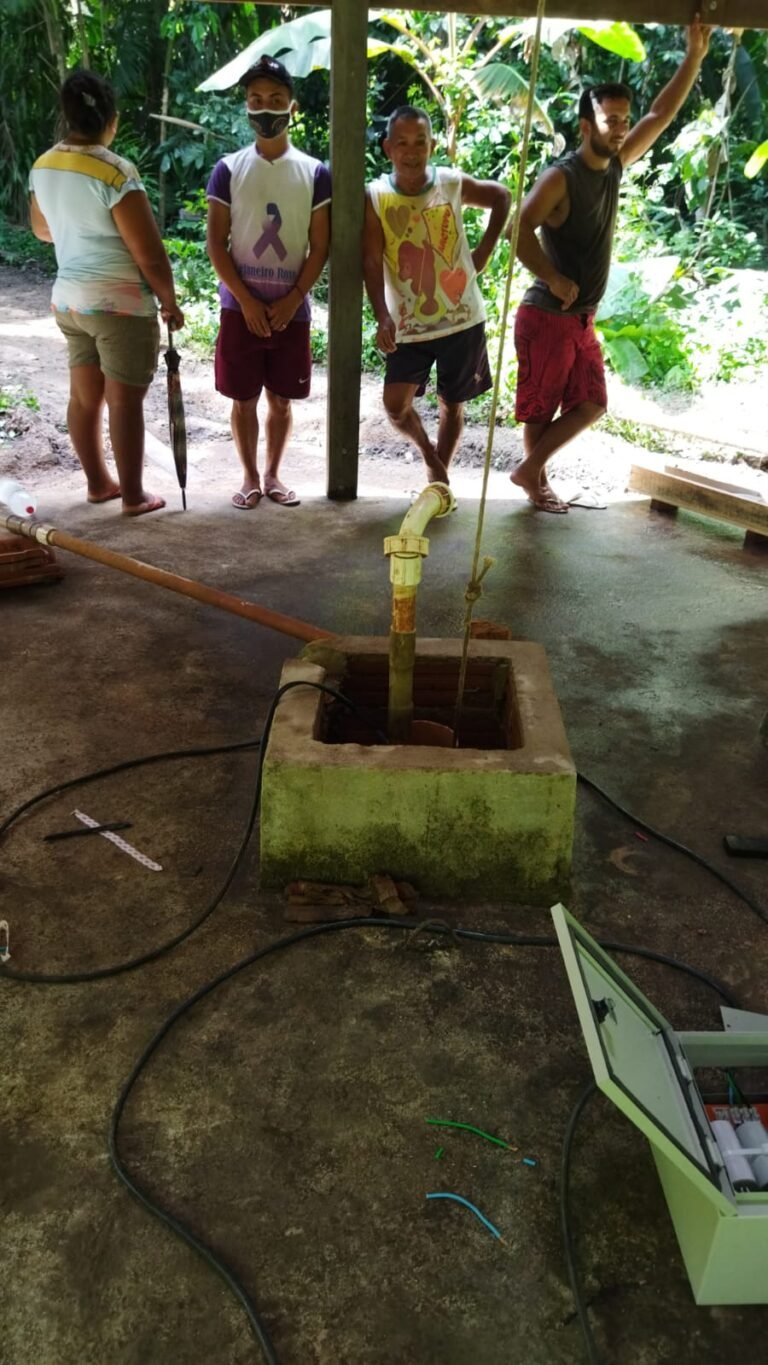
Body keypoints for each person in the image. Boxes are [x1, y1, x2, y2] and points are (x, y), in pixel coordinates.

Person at [510, 17, 712, 513]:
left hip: (581, 319)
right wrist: (553, 277)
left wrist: (693, 57)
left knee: (592, 403)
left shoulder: (616, 166)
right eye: (610, 120)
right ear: (586, 126)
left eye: (624, 120)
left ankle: (530, 472)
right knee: (540, 408)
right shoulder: (563, 177)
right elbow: (519, 230)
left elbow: (661, 115)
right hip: (547, 315)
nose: (621, 128)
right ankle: (536, 481)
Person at [28, 69, 184, 517]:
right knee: (123, 400)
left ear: (67, 116)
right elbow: (149, 255)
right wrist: (169, 301)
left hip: (70, 301)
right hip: (119, 305)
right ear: (110, 120)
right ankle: (133, 497)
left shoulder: (43, 166)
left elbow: (41, 230)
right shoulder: (115, 171)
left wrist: (75, 225)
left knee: (84, 397)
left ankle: (99, 483)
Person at [206, 56, 331, 509]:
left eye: (275, 99)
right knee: (243, 401)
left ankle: (274, 475)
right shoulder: (228, 169)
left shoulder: (315, 173)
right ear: (246, 107)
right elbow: (217, 245)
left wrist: (292, 298)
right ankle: (249, 478)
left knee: (281, 400)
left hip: (289, 312)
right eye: (256, 100)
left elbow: (320, 247)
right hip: (240, 310)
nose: (265, 109)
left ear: (292, 106)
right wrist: (247, 300)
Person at [363, 107, 511, 485]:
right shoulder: (377, 196)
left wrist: (484, 252)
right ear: (387, 149)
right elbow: (370, 258)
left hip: (461, 317)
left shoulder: (450, 183)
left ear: (432, 145)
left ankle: (437, 486)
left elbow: (502, 197)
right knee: (396, 406)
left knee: (452, 405)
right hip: (409, 326)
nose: (412, 152)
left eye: (420, 143)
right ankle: (431, 457)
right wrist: (381, 315)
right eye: (402, 144)